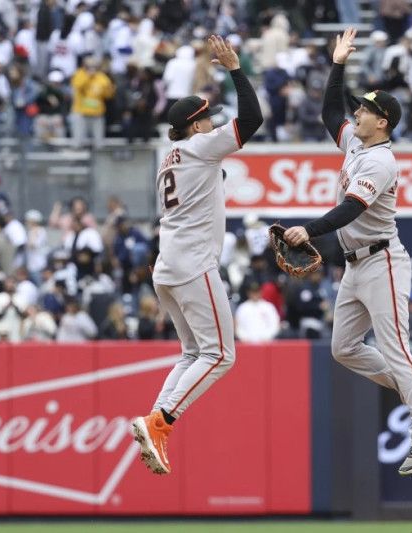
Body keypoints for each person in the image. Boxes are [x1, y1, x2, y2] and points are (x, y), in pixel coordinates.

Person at [282, 28, 412, 476]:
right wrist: (338, 63)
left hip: (383, 260)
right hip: (356, 265)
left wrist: (308, 230)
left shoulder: (381, 160)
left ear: (383, 122)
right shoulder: (356, 141)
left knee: (395, 347)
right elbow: (329, 112)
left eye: (366, 110)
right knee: (343, 348)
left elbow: (351, 208)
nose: (357, 112)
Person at [131, 35, 263, 476]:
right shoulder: (199, 145)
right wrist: (236, 70)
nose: (211, 123)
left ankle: (155, 421)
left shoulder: (169, 157)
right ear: (195, 125)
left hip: (167, 266)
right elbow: (253, 119)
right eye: (206, 118)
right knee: (221, 355)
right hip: (192, 265)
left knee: (192, 354)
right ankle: (162, 422)